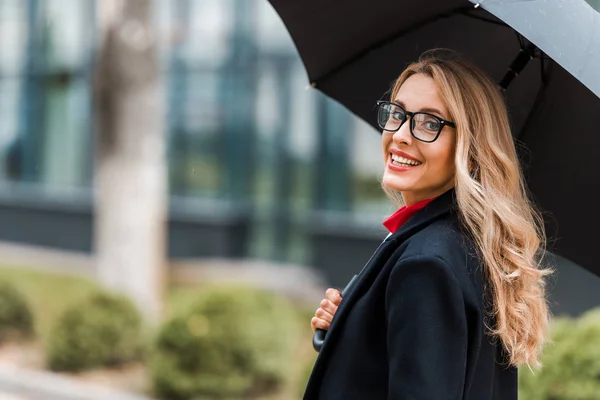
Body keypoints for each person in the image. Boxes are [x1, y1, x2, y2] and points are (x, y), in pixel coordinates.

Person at [304, 49, 552, 399]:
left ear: (469, 147)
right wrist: (354, 327)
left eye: (430, 123)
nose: (402, 135)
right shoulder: (468, 244)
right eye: (397, 113)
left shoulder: (427, 265)